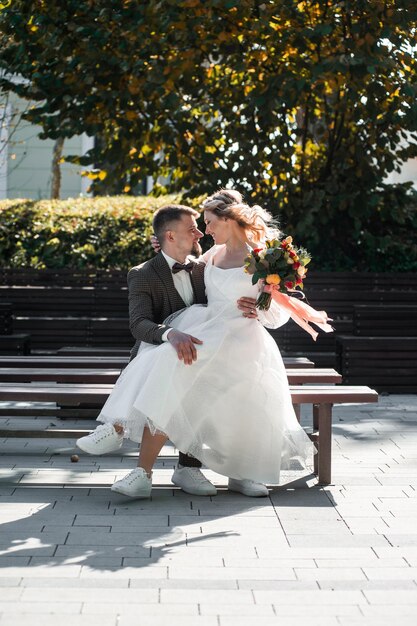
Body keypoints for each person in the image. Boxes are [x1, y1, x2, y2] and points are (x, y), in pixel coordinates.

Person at [80, 190, 314, 499]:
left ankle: (244, 473)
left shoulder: (263, 256)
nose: (205, 230)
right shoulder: (209, 257)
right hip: (207, 330)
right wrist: (165, 244)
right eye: (202, 224)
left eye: (209, 222)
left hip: (245, 339)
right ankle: (132, 452)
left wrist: (260, 308)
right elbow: (177, 257)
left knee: (246, 402)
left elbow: (279, 312)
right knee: (168, 363)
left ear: (229, 220)